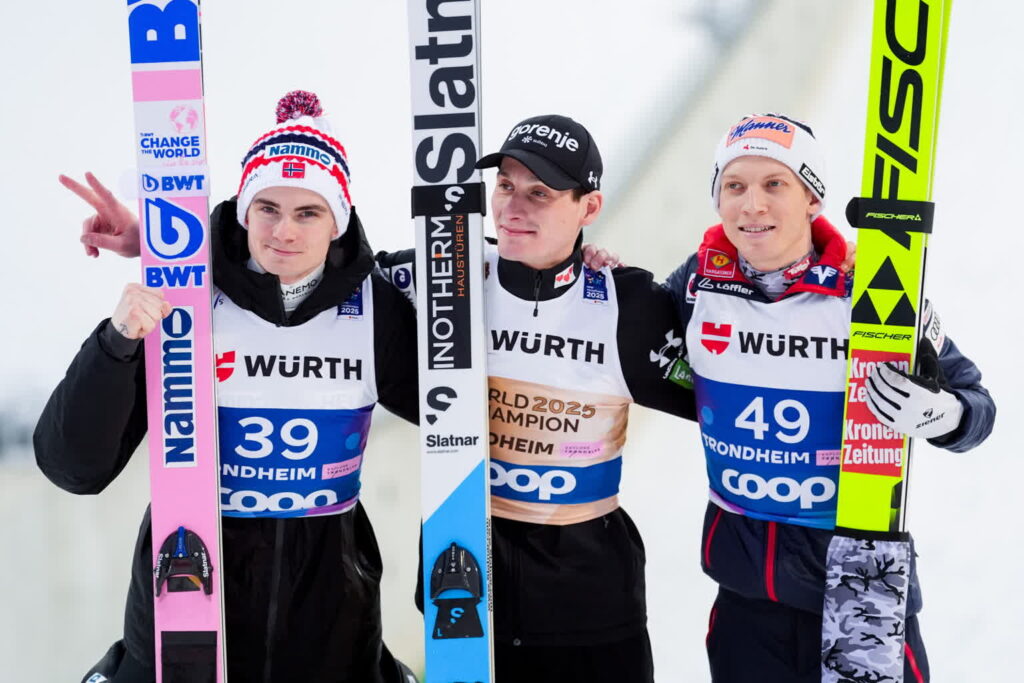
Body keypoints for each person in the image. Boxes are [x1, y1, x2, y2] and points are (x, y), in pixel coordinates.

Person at [34, 92, 420, 683]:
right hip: (184, 613)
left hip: (329, 635)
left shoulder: (376, 309)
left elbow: (466, 406)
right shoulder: (188, 300)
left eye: (308, 212)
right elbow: (73, 466)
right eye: (266, 207)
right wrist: (117, 344)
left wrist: (583, 268)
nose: (283, 230)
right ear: (242, 210)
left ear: (338, 219)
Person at [661, 113, 995, 682]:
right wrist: (594, 270)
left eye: (775, 184)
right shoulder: (697, 283)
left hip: (860, 593)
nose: (752, 205)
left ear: (813, 197)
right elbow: (633, 350)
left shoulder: (870, 288)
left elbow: (976, 407)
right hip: (745, 595)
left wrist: (943, 414)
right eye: (734, 186)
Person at [377, 114, 697, 683]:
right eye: (504, 186)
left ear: (589, 208)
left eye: (540, 193)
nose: (513, 207)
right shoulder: (444, 276)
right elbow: (324, 283)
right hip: (466, 590)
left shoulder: (626, 306)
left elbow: (734, 380)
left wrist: (834, 280)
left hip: (591, 609)